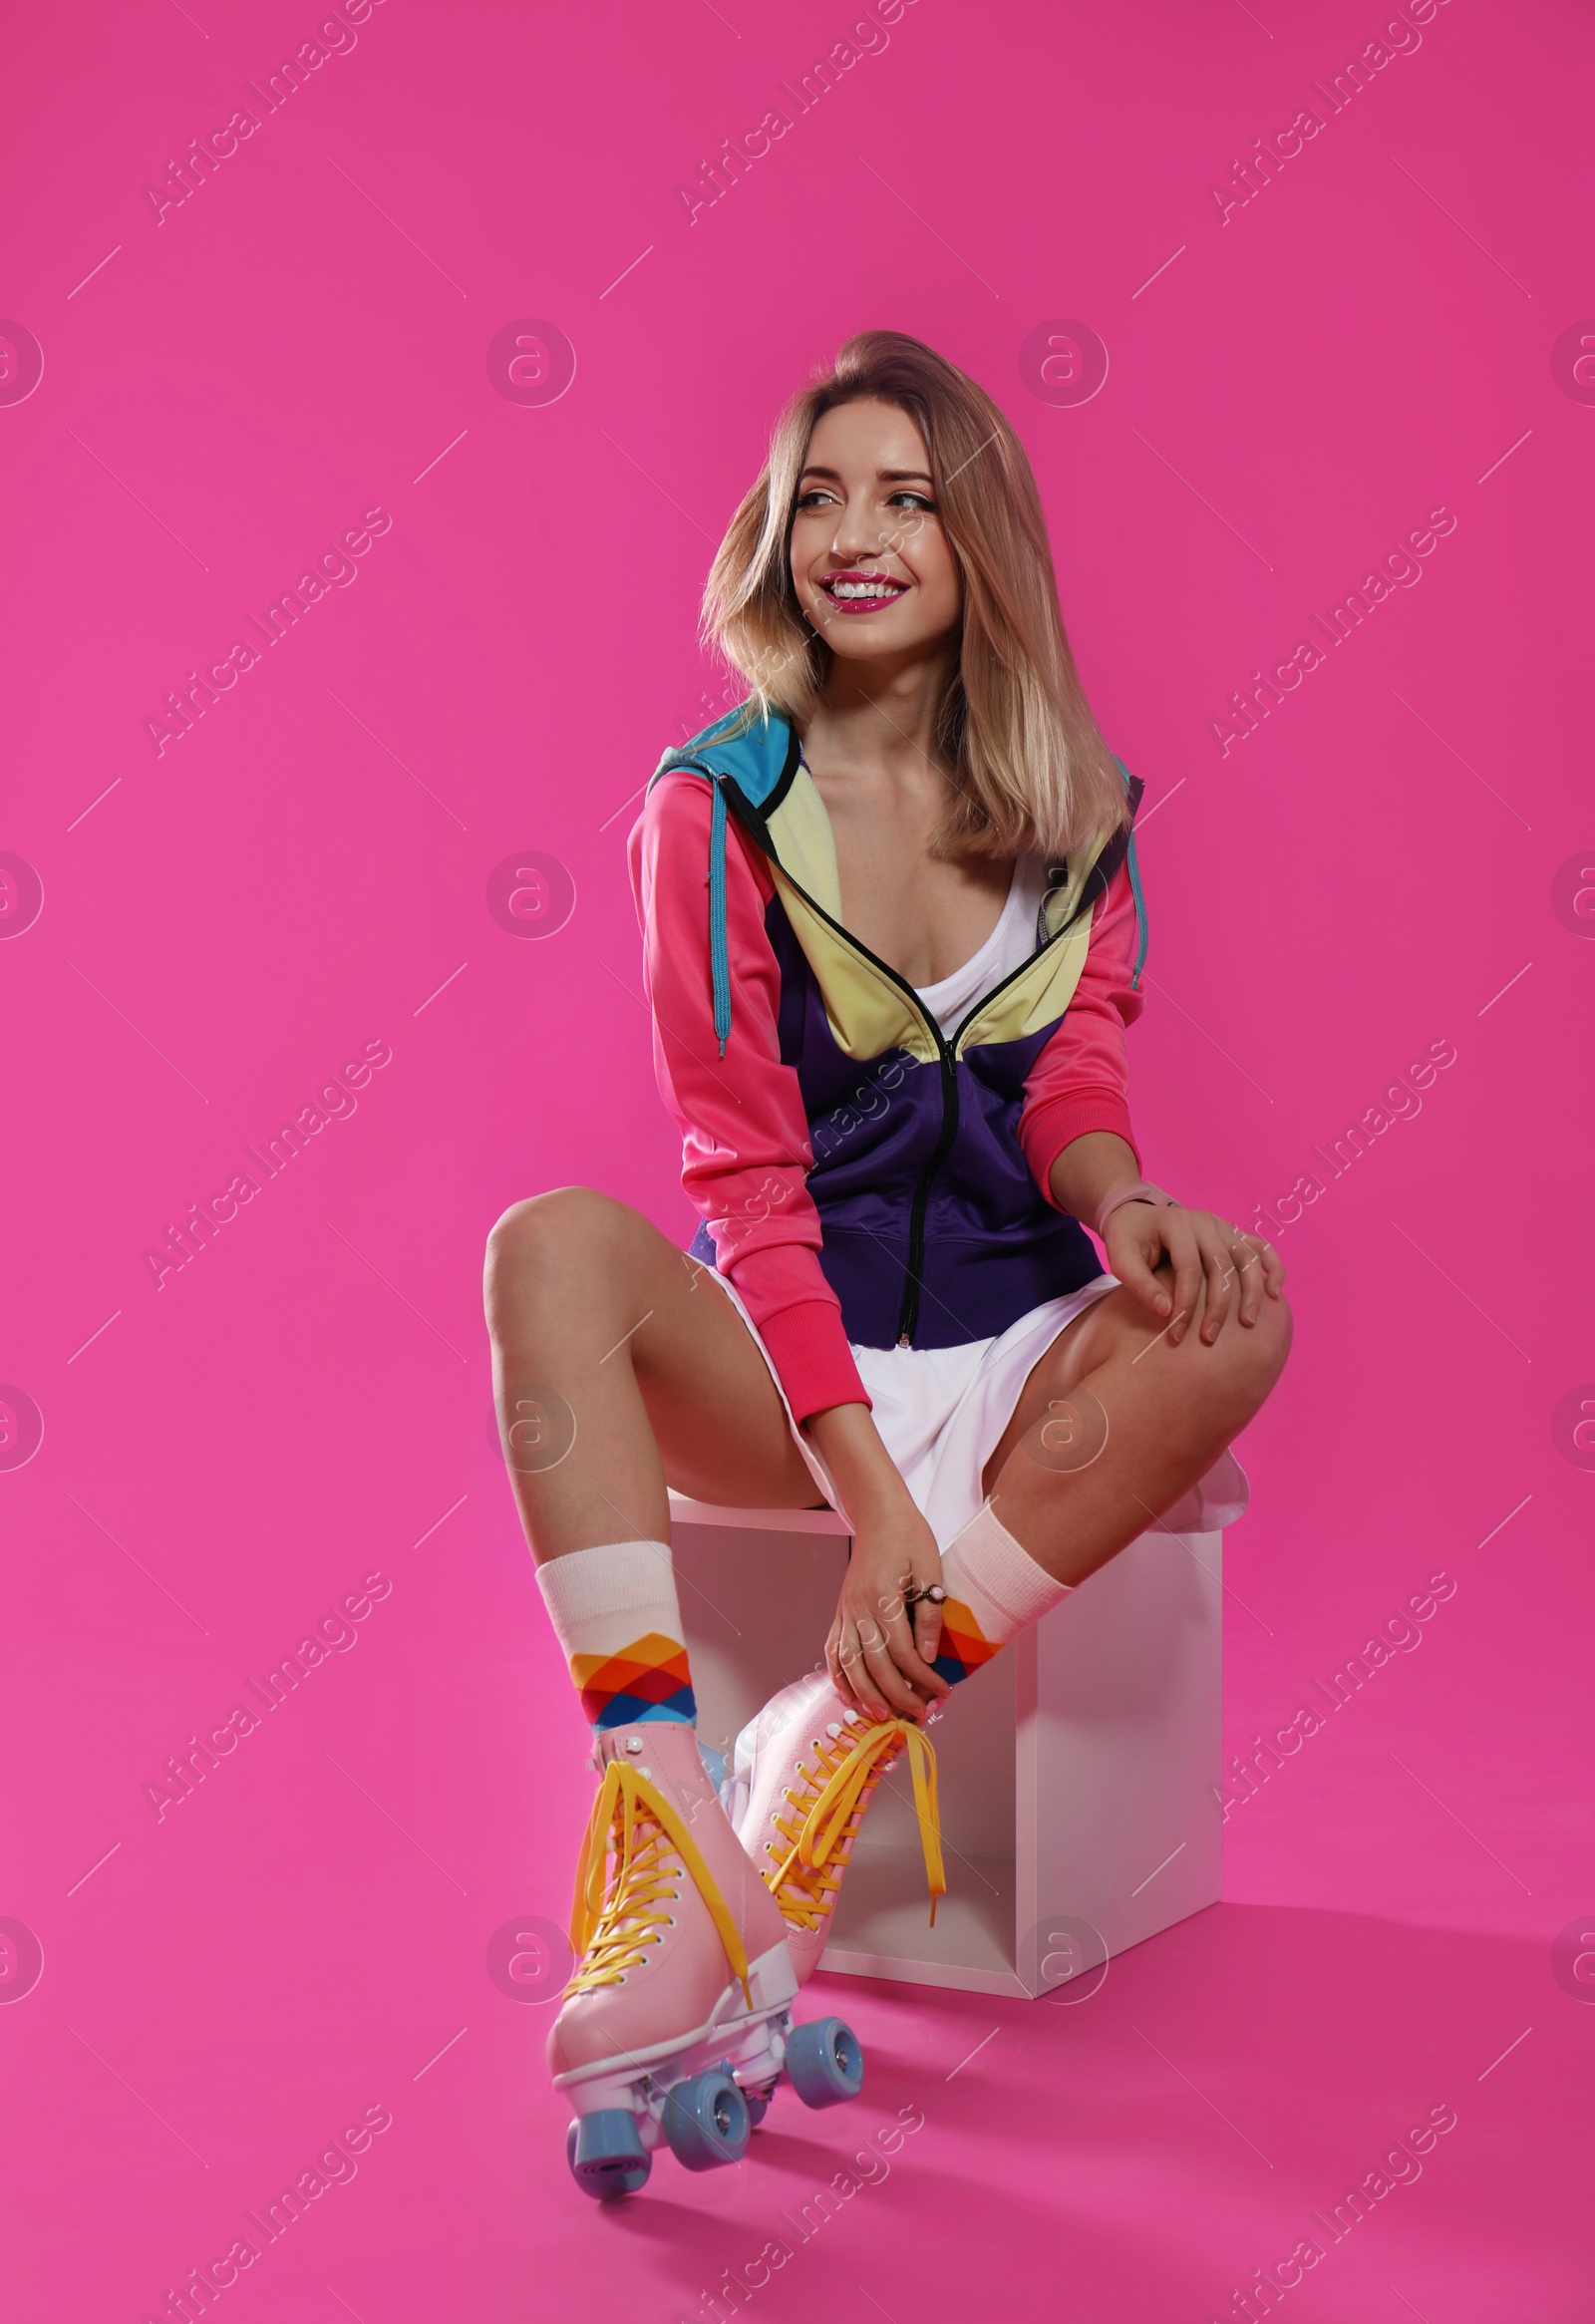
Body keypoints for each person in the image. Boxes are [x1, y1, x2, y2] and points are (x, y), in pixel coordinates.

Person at [484, 330, 1291, 2149]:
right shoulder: (712, 814)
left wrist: (1132, 1206)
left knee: (1240, 1316)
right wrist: (873, 1511)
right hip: (795, 1365)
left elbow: (1073, 1081)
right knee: (545, 1245)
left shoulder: (1083, 813)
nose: (854, 534)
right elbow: (745, 1178)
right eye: (818, 495)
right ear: (777, 534)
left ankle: (835, 1744)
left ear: (978, 536)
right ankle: (666, 1803)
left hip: (1014, 1356)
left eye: (906, 498)